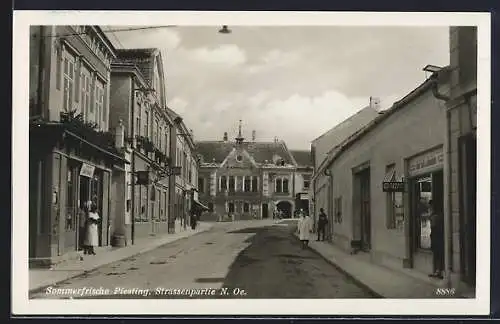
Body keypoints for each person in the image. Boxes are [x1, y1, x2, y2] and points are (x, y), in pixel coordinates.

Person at [428, 199, 444, 279]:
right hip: (436, 236)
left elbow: (434, 226)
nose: (429, 208)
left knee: (438, 254)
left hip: (437, 236)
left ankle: (438, 271)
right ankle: (437, 270)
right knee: (437, 254)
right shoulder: (437, 215)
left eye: (430, 206)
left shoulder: (435, 216)